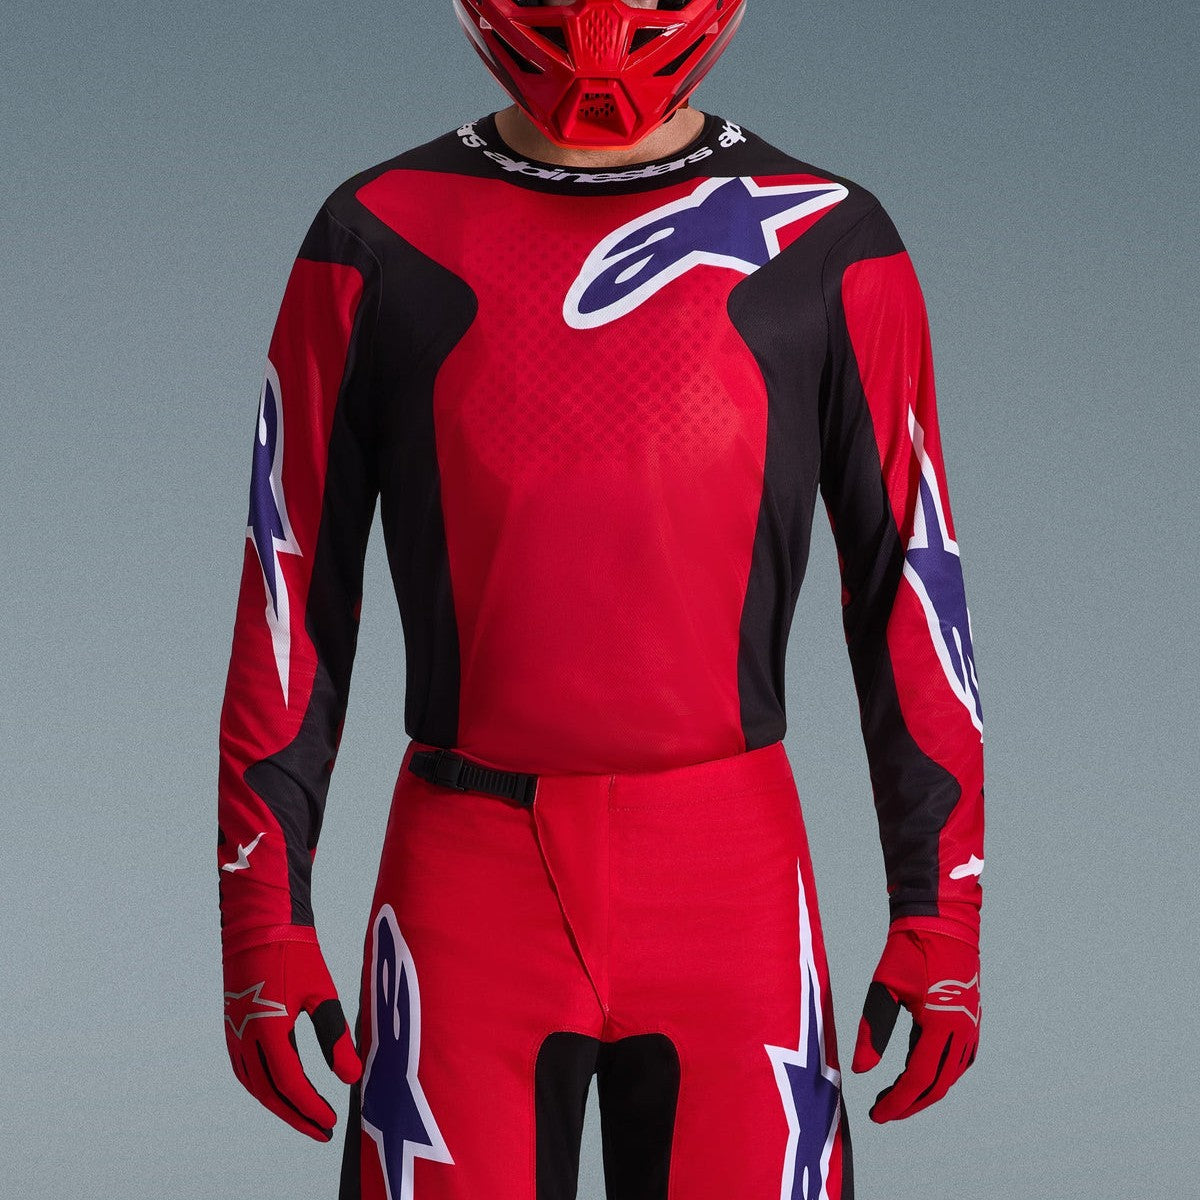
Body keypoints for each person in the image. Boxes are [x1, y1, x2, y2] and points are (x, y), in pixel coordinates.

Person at [216, 2, 986, 1197]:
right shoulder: (373, 235)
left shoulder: (833, 241)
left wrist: (942, 914)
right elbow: (292, 582)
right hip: (469, 898)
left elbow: (908, 588)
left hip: (728, 893)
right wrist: (262, 920)